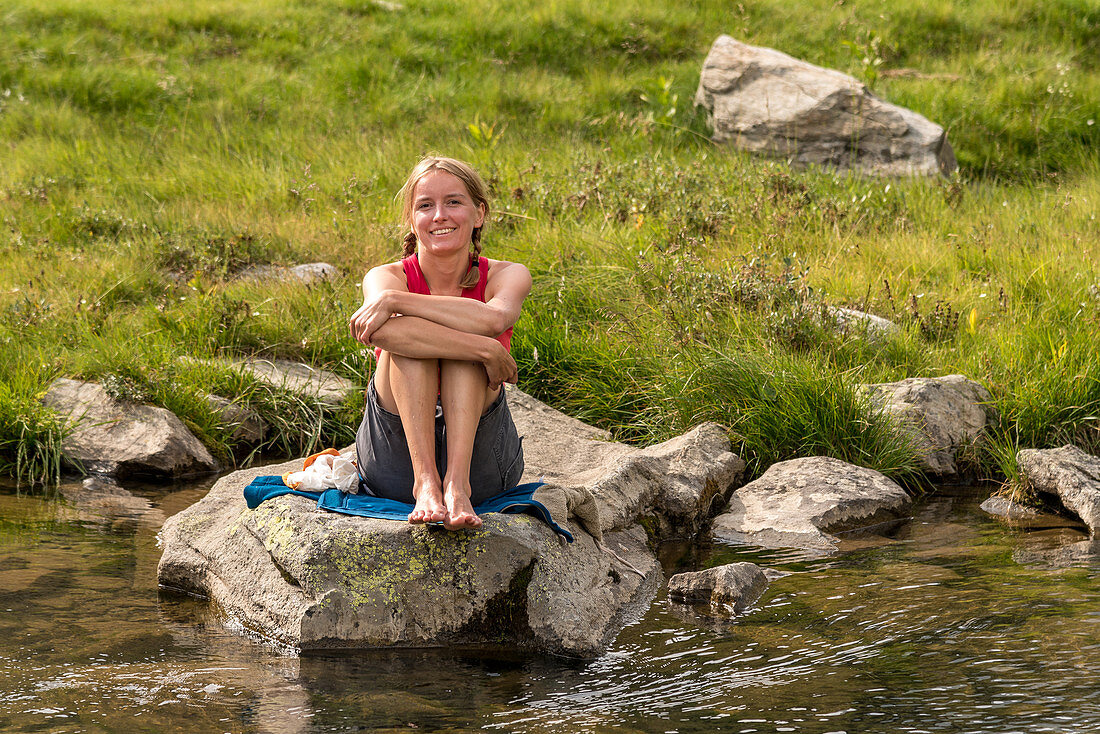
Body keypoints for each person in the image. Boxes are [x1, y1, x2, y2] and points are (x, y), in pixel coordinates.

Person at [348, 156, 532, 531]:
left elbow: (494, 318)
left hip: (483, 464)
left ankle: (456, 485)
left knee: (452, 345)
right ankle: (426, 482)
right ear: (412, 221)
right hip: (395, 462)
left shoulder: (508, 274)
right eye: (425, 206)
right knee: (417, 348)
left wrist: (397, 303)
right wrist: (485, 349)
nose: (439, 216)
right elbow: (378, 332)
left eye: (453, 202)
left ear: (478, 213)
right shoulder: (384, 277)